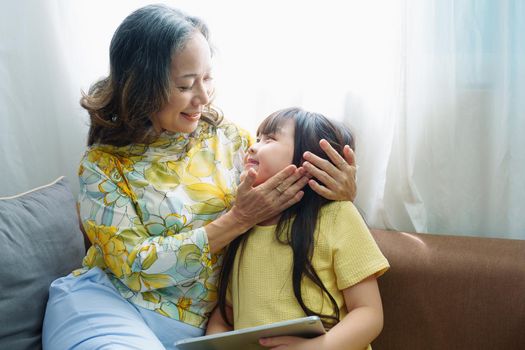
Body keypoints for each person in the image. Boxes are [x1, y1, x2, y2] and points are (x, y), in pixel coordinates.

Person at [42, 5, 357, 350]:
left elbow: (293, 194)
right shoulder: (102, 165)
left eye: (206, 78)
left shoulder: (233, 141)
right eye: (185, 84)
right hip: (111, 306)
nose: (203, 97)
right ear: (143, 87)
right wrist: (237, 219)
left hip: (202, 329)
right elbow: (135, 268)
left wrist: (338, 191)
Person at [206, 107, 389, 350]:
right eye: (258, 138)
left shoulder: (338, 216)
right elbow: (225, 315)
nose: (253, 146)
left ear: (310, 160)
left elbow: (368, 314)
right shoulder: (243, 227)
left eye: (270, 139)